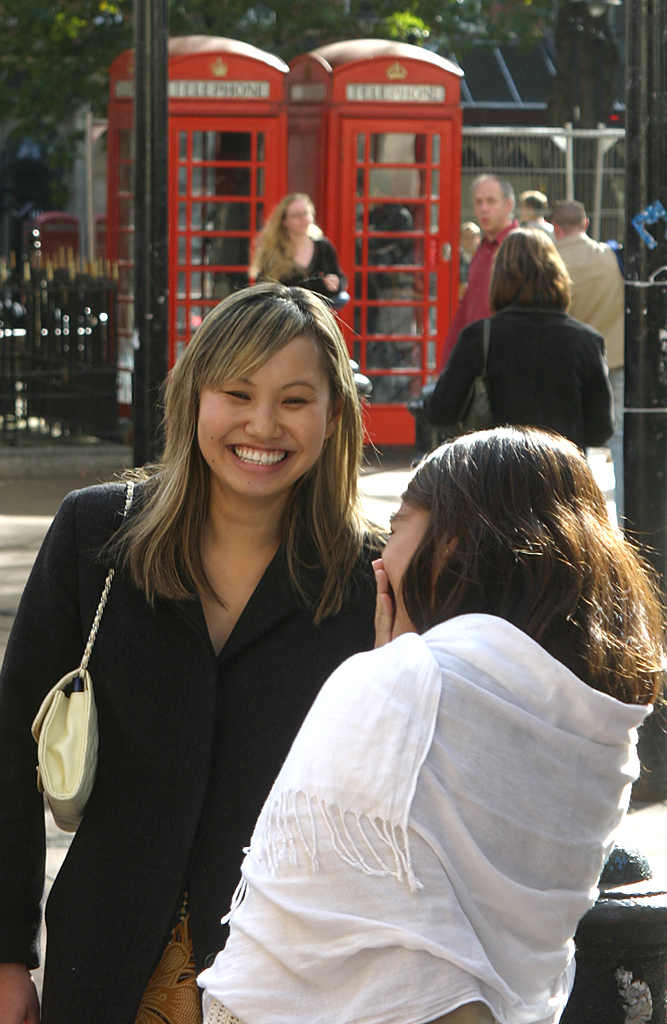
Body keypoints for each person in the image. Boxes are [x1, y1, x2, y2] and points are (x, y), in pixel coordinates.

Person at [0, 282, 383, 1024]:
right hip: (105, 957)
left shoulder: (369, 582)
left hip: (291, 974)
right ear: (193, 398)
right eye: (237, 393)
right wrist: (2, 956)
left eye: (294, 400)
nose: (263, 424)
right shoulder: (95, 536)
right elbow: (9, 755)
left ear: (334, 415)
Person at [198, 426, 665, 1024]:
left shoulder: (399, 686)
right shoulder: (598, 728)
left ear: (451, 545)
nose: (381, 559)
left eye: (395, 530)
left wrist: (393, 664)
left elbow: (287, 941)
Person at [424, 228, 614, 452]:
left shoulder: (479, 337)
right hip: (563, 475)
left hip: (495, 473)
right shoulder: (587, 341)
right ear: (557, 275)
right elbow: (600, 431)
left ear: (500, 277)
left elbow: (440, 412)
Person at [553, 200, 625, 520]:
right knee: (619, 442)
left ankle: (574, 518)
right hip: (616, 359)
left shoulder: (551, 263)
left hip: (568, 367)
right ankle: (626, 517)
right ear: (585, 223)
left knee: (568, 445)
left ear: (555, 227)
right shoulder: (612, 257)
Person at [439, 175, 519, 368]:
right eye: (478, 202)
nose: (484, 208)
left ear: (508, 205)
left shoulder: (519, 247)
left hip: (503, 360)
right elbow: (467, 309)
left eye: (491, 201)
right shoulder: (482, 248)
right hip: (475, 357)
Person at [250, 193, 347, 304]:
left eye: (306, 213)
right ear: (284, 221)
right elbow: (261, 289)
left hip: (318, 315)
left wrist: (336, 283)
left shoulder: (324, 248)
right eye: (296, 215)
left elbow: (340, 278)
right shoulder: (274, 251)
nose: (303, 218)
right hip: (285, 317)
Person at [458, 221, 481, 299]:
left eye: (472, 237)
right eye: (466, 237)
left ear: (478, 239)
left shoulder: (483, 258)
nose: (469, 240)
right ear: (460, 239)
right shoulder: (455, 258)